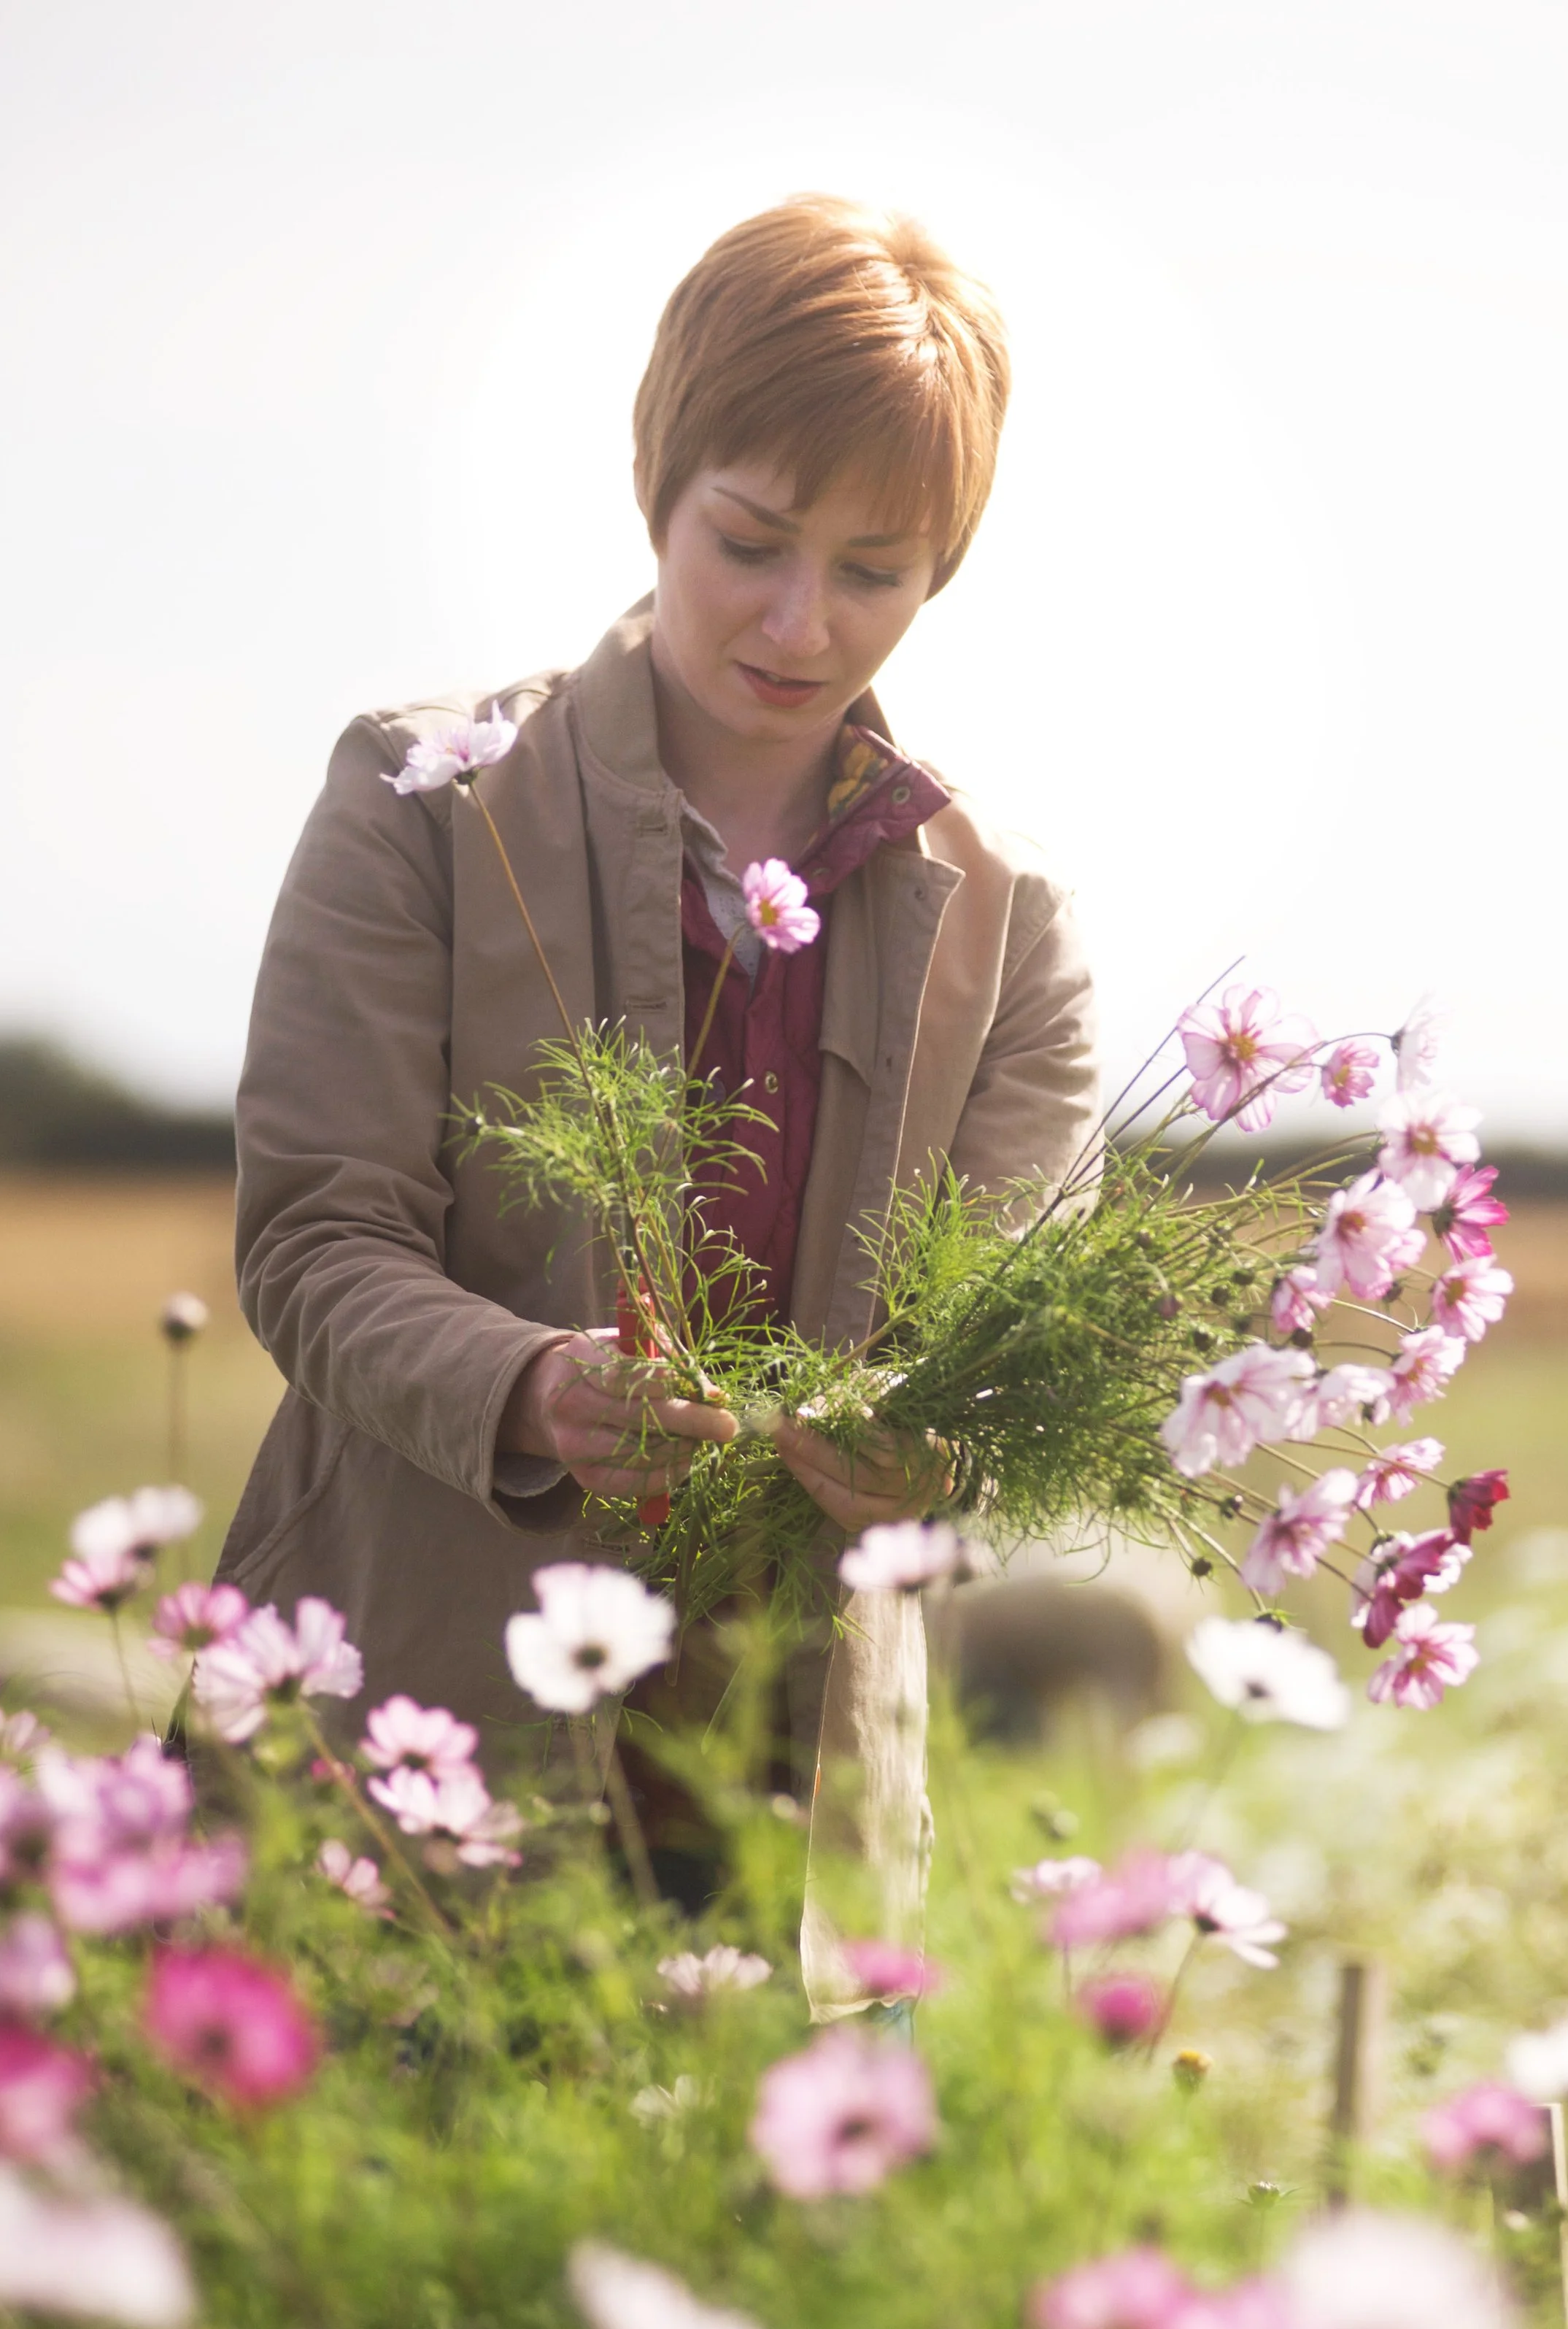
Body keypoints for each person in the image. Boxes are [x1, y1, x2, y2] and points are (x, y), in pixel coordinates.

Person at [218, 195, 1100, 1978]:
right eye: (750, 540)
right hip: (421, 1737)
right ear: (657, 482)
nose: (799, 622)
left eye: (875, 569)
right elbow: (315, 1238)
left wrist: (932, 1436)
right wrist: (528, 1383)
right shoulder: (428, 804)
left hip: (789, 1806)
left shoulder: (1005, 922)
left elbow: (1014, 1334)